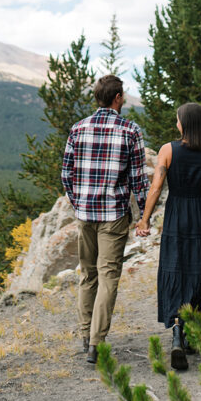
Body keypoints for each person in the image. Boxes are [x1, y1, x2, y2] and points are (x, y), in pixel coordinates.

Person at [62, 74, 148, 364]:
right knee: (108, 276)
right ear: (118, 97)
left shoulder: (78, 128)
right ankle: (96, 344)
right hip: (113, 215)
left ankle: (85, 335)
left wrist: (79, 204)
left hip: (85, 214)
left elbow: (66, 175)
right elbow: (138, 179)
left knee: (87, 274)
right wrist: (145, 214)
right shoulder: (130, 131)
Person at [136, 102, 201, 371]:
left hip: (176, 216)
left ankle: (177, 330)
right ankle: (196, 333)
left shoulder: (168, 150)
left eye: (178, 120)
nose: (176, 123)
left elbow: (155, 189)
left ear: (184, 123)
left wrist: (145, 220)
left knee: (176, 268)